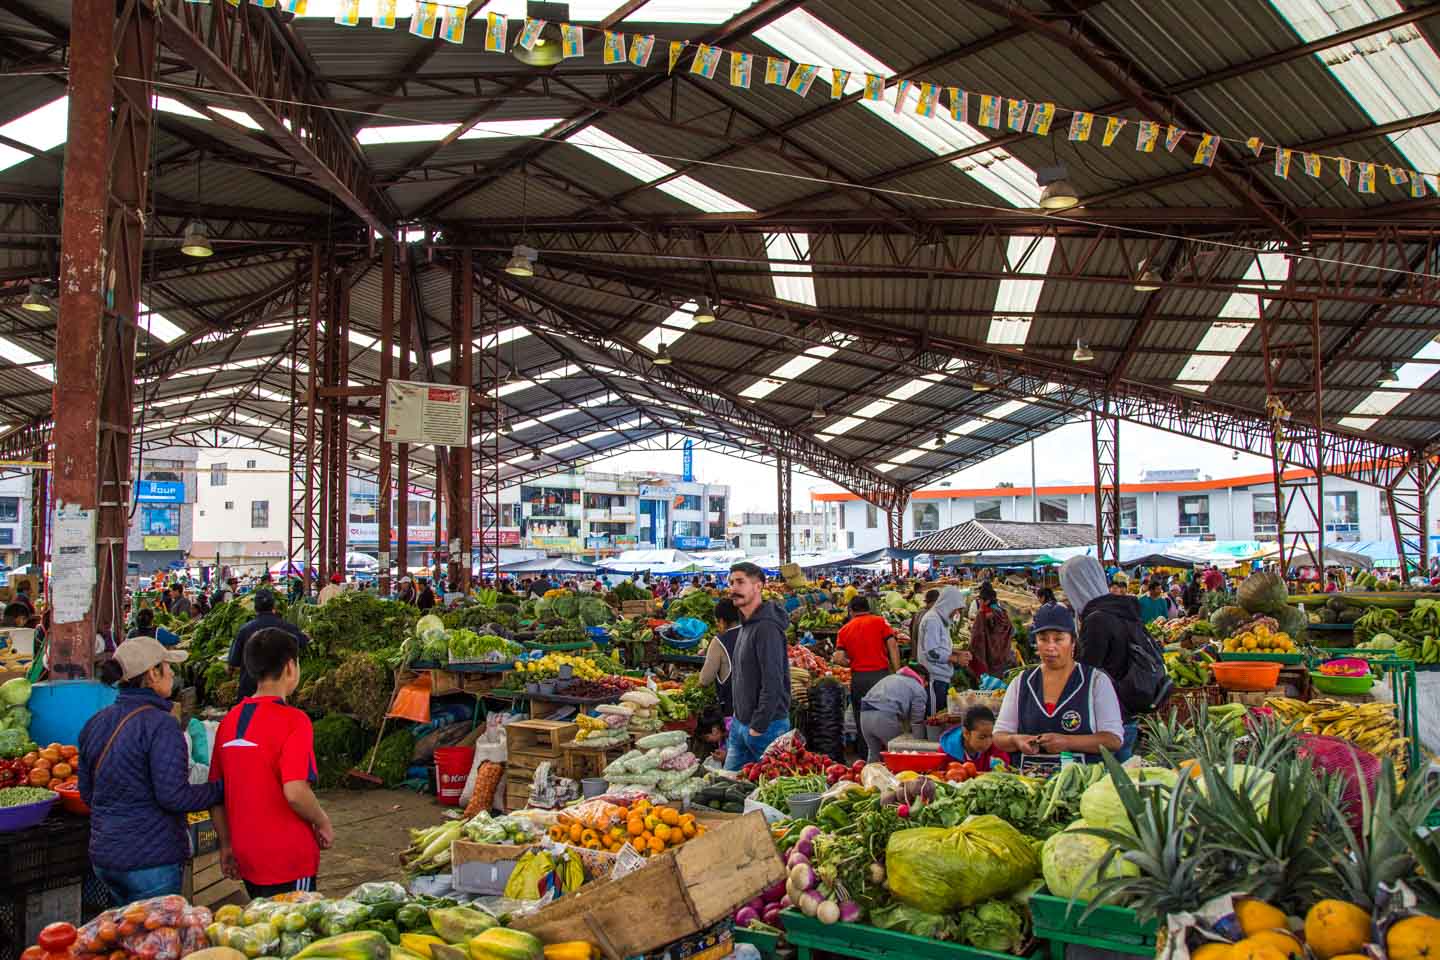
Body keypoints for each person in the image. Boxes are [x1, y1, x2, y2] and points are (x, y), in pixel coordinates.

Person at [79, 638, 225, 903]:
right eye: (168, 666)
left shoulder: (96, 722)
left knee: (127, 938)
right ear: (152, 674)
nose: (172, 673)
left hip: (105, 860)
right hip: (150, 862)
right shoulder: (161, 725)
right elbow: (174, 796)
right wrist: (221, 788)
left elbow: (88, 793)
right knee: (157, 940)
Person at [210, 628, 332, 898]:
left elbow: (216, 795)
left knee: (264, 931)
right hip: (288, 858)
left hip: (247, 855)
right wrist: (322, 821)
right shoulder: (295, 721)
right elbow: (295, 791)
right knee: (295, 933)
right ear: (290, 667)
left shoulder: (229, 721)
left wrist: (226, 844)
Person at [991, 603, 1124, 765]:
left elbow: (1113, 739)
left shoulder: (1095, 682)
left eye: (1059, 639)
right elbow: (999, 736)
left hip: (1083, 782)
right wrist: (1016, 740)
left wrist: (1068, 742)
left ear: (1073, 642)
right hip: (1030, 782)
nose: (1050, 647)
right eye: (1043, 639)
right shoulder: (1021, 682)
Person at [1059, 555, 1159, 761]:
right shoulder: (1121, 610)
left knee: (1111, 782)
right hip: (1129, 706)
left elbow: (1086, 671)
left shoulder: (1097, 620)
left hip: (1109, 715)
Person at [723, 562, 792, 772]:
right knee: (727, 785)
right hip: (741, 723)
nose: (734, 588)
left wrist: (758, 726)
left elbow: (773, 681)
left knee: (768, 791)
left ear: (758, 586)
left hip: (766, 727)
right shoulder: (747, 624)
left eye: (741, 582)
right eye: (731, 582)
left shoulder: (767, 627)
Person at [833, 596, 899, 739]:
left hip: (859, 678)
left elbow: (838, 658)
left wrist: (852, 662)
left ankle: (865, 755)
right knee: (884, 715)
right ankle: (884, 752)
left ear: (851, 611)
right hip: (880, 676)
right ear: (868, 608)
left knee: (862, 717)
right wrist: (897, 670)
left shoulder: (844, 630)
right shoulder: (880, 622)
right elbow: (893, 645)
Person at [228, 590, 311, 700]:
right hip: (278, 692)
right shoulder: (287, 627)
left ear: (255, 608)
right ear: (274, 607)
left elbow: (234, 661)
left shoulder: (244, 630)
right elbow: (305, 643)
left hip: (249, 691)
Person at [857, 663, 930, 762]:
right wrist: (919, 742)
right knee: (898, 754)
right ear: (922, 677)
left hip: (864, 714)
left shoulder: (891, 677)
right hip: (884, 716)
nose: (925, 686)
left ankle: (869, 776)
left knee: (874, 755)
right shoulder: (918, 688)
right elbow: (917, 720)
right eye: (926, 683)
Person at [916, 586, 970, 716]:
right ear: (948, 604)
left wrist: (958, 652)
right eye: (956, 609)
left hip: (941, 677)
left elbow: (941, 647)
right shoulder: (932, 620)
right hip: (934, 678)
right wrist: (956, 659)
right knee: (934, 717)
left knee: (941, 714)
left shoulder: (940, 619)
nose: (956, 613)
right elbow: (931, 652)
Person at [698, 597, 742, 717]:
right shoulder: (754, 633)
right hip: (758, 708)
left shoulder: (720, 641)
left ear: (722, 621)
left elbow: (704, 680)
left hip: (733, 710)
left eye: (717, 621)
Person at [969, 582, 1016, 678]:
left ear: (987, 601)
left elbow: (976, 636)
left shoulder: (982, 614)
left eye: (981, 600)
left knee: (990, 682)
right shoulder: (1002, 611)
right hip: (1003, 653)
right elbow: (1012, 630)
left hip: (989, 655)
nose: (980, 602)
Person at [945, 704, 1009, 772]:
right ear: (966, 733)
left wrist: (1001, 765)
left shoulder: (993, 745)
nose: (988, 742)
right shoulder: (947, 753)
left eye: (991, 736)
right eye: (982, 737)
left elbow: (1005, 763)